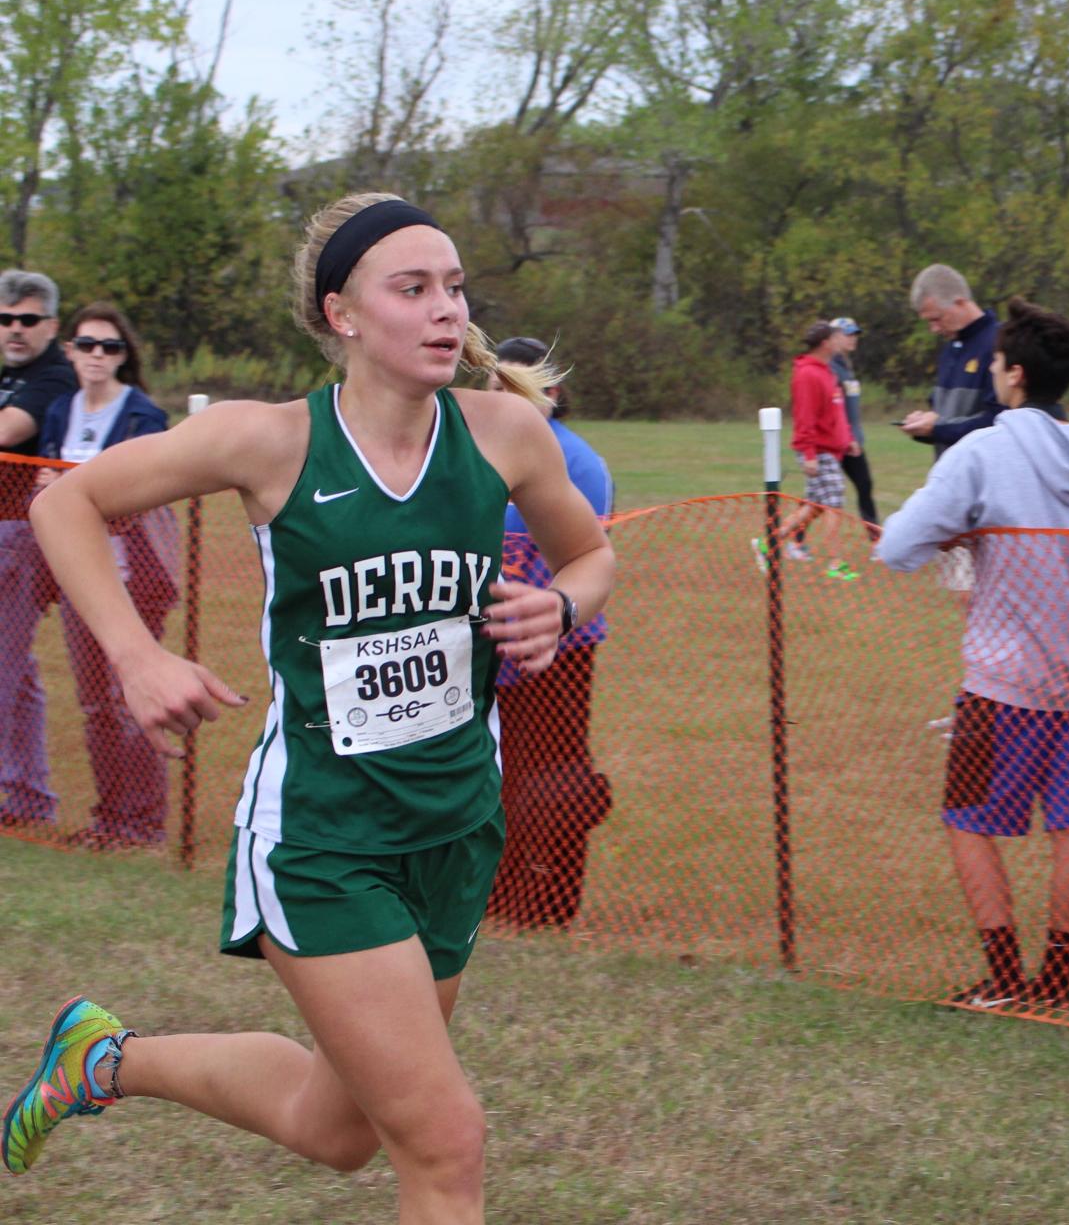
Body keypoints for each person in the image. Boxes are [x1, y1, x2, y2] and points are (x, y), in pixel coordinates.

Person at [3, 193, 615, 1223]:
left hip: (457, 823)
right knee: (445, 1141)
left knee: (340, 1130)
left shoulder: (505, 431)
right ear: (343, 313)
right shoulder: (269, 441)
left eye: (454, 289)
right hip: (325, 834)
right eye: (410, 289)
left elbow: (590, 555)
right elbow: (65, 501)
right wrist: (135, 654)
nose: (443, 312)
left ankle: (102, 1061)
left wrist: (559, 604)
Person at [878, 297, 1069, 1012]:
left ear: (1014, 375)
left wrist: (963, 535)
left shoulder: (983, 450)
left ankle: (1002, 977)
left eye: (995, 361)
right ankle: (1055, 983)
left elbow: (897, 545)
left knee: (965, 821)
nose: (990, 369)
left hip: (999, 685)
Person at [34, 302, 175, 848]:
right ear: (70, 350)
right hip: (83, 577)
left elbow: (144, 491)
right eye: (87, 345)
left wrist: (74, 491)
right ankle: (108, 816)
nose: (97, 356)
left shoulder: (141, 414)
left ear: (124, 356)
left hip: (133, 576)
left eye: (109, 347)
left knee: (130, 697)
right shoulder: (60, 411)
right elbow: (45, 488)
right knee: (95, 704)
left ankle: (142, 823)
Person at [486, 335, 614, 930]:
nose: (503, 399)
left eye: (519, 387)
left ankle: (547, 906)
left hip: (556, 650)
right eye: (495, 385)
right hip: (485, 650)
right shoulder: (474, 451)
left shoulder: (577, 464)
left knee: (553, 777)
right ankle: (495, 896)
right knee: (495, 773)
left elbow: (582, 559)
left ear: (552, 394)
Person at [0, 268, 76, 828]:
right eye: (5, 320)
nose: (16, 330)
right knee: (17, 675)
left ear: (51, 324)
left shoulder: (54, 376)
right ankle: (29, 798)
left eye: (28, 319)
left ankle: (26, 794)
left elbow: (8, 431)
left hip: (19, 536)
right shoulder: (9, 372)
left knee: (6, 668)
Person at [752, 320, 857, 580]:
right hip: (817, 449)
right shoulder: (808, 374)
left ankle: (769, 543)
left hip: (830, 448)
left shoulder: (826, 371)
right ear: (825, 343)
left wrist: (847, 439)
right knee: (834, 504)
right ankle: (836, 563)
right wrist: (809, 455)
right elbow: (805, 418)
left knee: (816, 506)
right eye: (835, 337)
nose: (840, 341)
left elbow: (834, 411)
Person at [899, 264, 1001, 461]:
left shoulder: (1000, 343)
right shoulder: (951, 349)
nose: (933, 329)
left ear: (960, 302)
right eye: (928, 322)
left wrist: (937, 428)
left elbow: (999, 423)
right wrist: (925, 424)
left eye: (936, 319)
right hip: (950, 478)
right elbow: (947, 419)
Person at [828, 316, 879, 539]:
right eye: (848, 334)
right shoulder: (830, 367)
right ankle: (876, 539)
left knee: (863, 485)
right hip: (840, 440)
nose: (853, 339)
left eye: (855, 334)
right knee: (824, 496)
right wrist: (848, 438)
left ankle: (875, 538)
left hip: (851, 438)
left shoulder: (845, 366)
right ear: (833, 337)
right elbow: (834, 408)